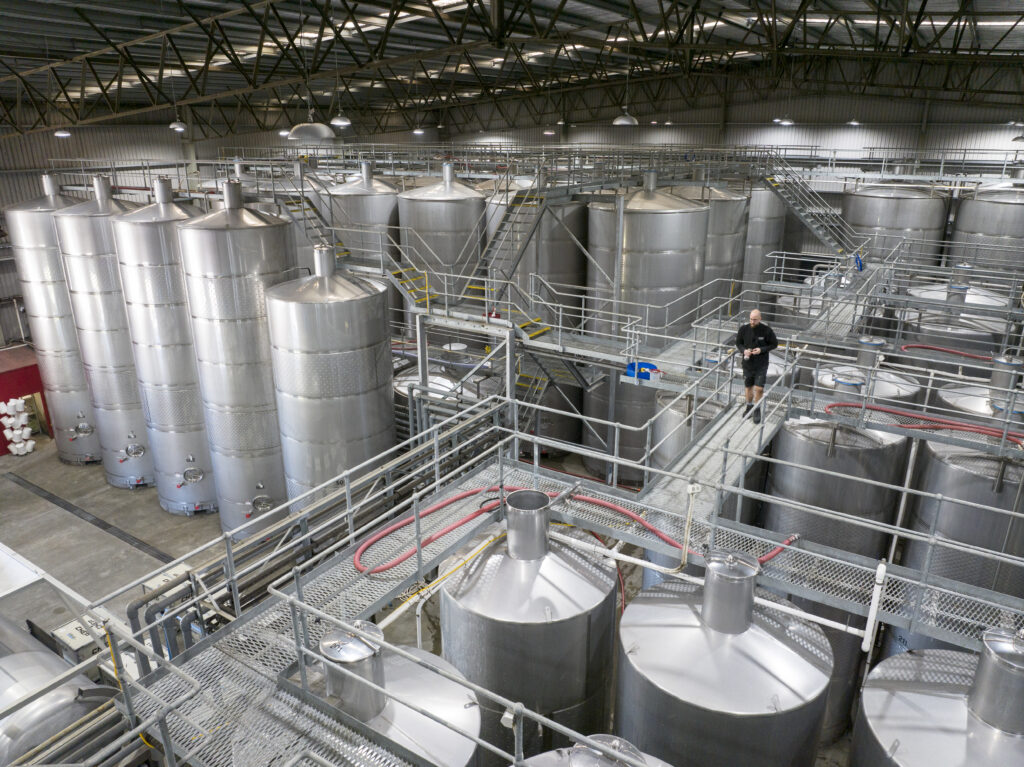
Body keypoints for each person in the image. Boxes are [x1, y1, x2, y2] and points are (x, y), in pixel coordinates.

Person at [734, 309, 778, 424]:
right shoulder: (743, 329)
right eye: (751, 319)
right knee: (748, 387)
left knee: (759, 388)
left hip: (761, 364)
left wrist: (761, 350)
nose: (752, 322)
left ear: (760, 319)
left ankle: (757, 408)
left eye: (755, 320)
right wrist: (744, 351)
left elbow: (774, 344)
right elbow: (738, 343)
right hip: (748, 364)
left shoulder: (767, 331)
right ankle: (749, 407)